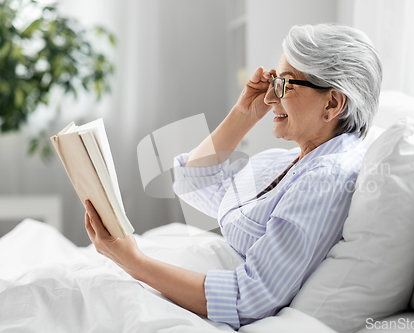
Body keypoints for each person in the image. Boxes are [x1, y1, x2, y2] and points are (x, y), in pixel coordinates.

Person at [84, 23, 382, 329]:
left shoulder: (324, 179)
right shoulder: (292, 162)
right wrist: (244, 113)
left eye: (284, 85)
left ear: (332, 103)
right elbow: (195, 182)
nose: (269, 98)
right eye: (273, 83)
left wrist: (132, 261)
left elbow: (249, 298)